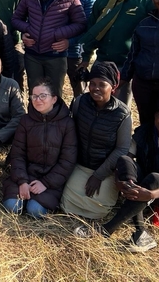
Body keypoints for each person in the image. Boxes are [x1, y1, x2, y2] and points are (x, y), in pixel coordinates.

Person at [74, 99, 159, 253]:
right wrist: (121, 181)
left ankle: (108, 228)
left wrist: (152, 194)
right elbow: (126, 159)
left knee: (156, 178)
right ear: (155, 115)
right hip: (146, 190)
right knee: (125, 161)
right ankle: (141, 232)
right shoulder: (144, 132)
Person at [60, 61, 132, 219]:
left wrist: (98, 175)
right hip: (81, 165)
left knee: (99, 209)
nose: (95, 88)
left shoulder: (122, 113)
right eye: (92, 83)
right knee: (67, 203)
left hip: (106, 169)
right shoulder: (80, 102)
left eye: (102, 84)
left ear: (113, 87)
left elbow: (122, 148)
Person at [11, 0, 86, 98]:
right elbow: (15, 19)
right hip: (33, 55)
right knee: (36, 94)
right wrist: (26, 31)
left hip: (56, 56)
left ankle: (55, 121)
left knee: (54, 95)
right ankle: (34, 121)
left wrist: (61, 35)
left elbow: (81, 23)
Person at [2, 79, 77, 218]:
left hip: (51, 179)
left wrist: (46, 183)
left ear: (54, 99)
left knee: (34, 211)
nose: (38, 100)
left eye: (43, 96)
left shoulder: (67, 123)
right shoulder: (25, 121)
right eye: (34, 96)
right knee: (12, 207)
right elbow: (17, 154)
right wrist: (22, 181)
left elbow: (67, 160)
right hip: (26, 173)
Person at [59, 0, 97, 97]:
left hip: (75, 53)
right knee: (52, 92)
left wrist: (70, 42)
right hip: (52, 52)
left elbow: (89, 26)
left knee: (81, 94)